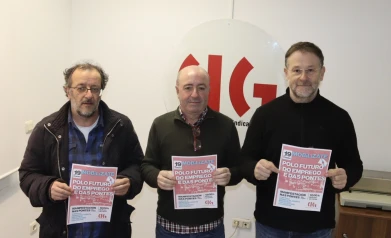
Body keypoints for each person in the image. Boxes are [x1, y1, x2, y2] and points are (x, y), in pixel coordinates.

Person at [241, 42, 363, 238]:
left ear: (322, 73)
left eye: (311, 70)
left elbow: (355, 166)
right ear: (286, 72)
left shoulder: (339, 118)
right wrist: (254, 169)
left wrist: (345, 177)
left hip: (317, 227)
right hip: (271, 224)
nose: (303, 77)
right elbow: (244, 160)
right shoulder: (265, 114)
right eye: (297, 70)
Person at [19, 62, 144, 238]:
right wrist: (48, 187)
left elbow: (138, 165)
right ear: (67, 91)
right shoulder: (46, 129)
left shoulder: (120, 126)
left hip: (110, 230)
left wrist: (129, 181)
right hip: (61, 230)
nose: (88, 95)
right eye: (81, 88)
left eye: (94, 88)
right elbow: (27, 174)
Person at [141, 65, 242, 237]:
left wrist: (229, 174)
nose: (195, 94)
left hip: (211, 229)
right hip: (169, 229)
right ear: (177, 91)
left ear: (209, 90)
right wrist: (157, 177)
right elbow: (146, 166)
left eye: (201, 88)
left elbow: (240, 168)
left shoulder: (226, 125)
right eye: (188, 87)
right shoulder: (160, 125)